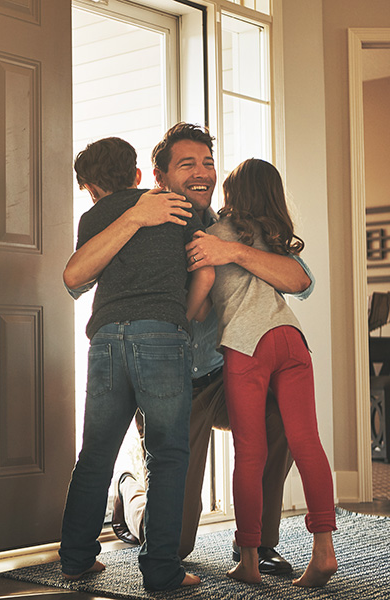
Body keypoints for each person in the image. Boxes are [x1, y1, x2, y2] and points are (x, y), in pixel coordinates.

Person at [65, 123, 314, 574]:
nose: (202, 173)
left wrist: (231, 253)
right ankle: (130, 493)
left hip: (223, 375)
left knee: (279, 416)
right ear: (157, 178)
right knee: (174, 537)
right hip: (174, 377)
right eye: (187, 164)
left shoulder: (232, 226)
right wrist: (138, 218)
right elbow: (76, 282)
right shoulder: (149, 217)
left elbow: (301, 281)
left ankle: (255, 543)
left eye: (207, 163)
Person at [59, 137, 214, 591]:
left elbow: (79, 278)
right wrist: (177, 320)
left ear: (89, 188)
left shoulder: (92, 218)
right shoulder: (177, 207)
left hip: (106, 337)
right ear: (139, 175)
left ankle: (75, 558)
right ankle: (161, 571)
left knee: (95, 455)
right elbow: (204, 270)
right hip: (162, 336)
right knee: (167, 455)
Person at [208, 158, 337, 587]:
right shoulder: (274, 239)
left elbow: (203, 292)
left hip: (248, 344)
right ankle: (324, 553)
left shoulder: (215, 234)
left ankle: (248, 560)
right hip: (292, 339)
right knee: (307, 443)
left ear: (233, 194)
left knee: (250, 453)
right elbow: (299, 283)